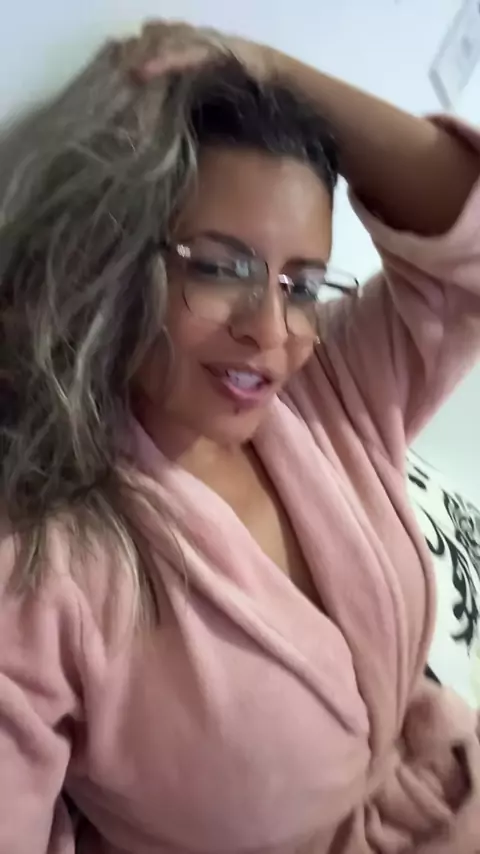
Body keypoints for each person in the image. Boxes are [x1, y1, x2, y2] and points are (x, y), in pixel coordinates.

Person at [0, 19, 479, 854]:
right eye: (221, 267)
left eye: (302, 283)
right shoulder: (43, 568)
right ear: (115, 257)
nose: (272, 329)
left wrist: (274, 70)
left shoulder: (328, 390)